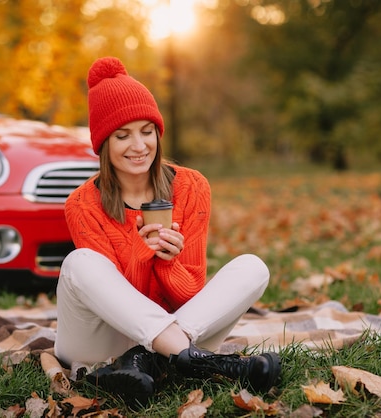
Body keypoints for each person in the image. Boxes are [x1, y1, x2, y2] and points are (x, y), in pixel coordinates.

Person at [54, 56, 281, 406]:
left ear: (158, 133)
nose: (139, 145)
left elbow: (190, 298)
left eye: (147, 131)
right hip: (101, 342)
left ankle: (147, 362)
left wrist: (168, 262)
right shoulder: (83, 204)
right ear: (103, 143)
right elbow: (111, 301)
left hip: (176, 328)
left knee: (253, 266)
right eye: (123, 135)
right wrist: (139, 254)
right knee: (80, 262)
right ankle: (198, 361)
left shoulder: (190, 187)